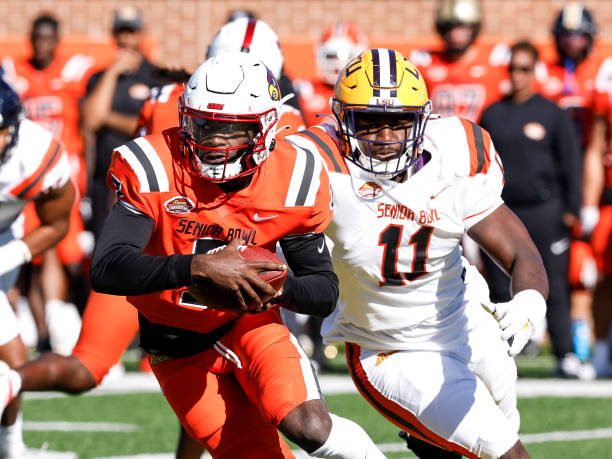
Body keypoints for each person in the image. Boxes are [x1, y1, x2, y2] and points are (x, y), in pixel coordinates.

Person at [88, 52, 384, 458]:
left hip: (250, 323)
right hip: (173, 341)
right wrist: (197, 268)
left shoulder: (293, 178)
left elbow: (322, 290)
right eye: (204, 126)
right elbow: (106, 267)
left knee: (310, 426)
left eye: (232, 131)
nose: (213, 143)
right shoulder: (153, 164)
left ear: (266, 128)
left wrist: (269, 287)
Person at [297, 48, 546, 458]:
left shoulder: (455, 152)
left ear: (423, 119)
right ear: (341, 118)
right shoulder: (317, 161)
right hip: (389, 348)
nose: (384, 138)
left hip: (468, 318)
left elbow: (519, 250)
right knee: (506, 452)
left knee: (499, 431)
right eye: (370, 123)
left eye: (398, 123)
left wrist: (529, 300)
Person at [479, 41, 593, 379]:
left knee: (555, 283)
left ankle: (566, 353)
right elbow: (482, 160)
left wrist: (572, 207)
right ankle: (500, 353)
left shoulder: (551, 113)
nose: (517, 76)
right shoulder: (494, 113)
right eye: (513, 68)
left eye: (525, 69)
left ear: (535, 72)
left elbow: (570, 162)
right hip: (502, 211)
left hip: (546, 209)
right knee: (499, 285)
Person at [3, 13, 90, 354]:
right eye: (36, 38)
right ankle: (39, 330)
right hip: (20, 185)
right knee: (31, 265)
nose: (42, 45)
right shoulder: (12, 73)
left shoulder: (73, 74)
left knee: (67, 256)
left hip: (53, 178)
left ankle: (66, 322)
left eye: (47, 38)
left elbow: (85, 123)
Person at [0, 77, 74, 458]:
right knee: (12, 359)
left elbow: (57, 224)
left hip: (4, 240)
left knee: (12, 365)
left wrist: (11, 255)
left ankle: (11, 448)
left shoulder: (37, 153)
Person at [81, 5, 157, 240]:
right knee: (102, 250)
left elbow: (153, 125)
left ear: (141, 34)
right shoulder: (99, 77)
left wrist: (108, 118)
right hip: (105, 181)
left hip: (143, 181)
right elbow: (91, 119)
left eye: (131, 32)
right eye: (121, 32)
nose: (125, 39)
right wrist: (113, 71)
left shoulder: (156, 76)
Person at [409, 0, 509, 123]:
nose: (455, 34)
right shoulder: (424, 61)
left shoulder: (496, 58)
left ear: (474, 27)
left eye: (462, 27)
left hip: (482, 138)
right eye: (449, 27)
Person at [584, 85, 612, 377]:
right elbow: (596, 147)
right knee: (603, 278)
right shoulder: (608, 76)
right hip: (611, 197)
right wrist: (590, 204)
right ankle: (602, 351)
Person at [296, 21, 368, 128]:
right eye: (331, 56)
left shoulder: (368, 91)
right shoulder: (304, 90)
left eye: (348, 56)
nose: (338, 63)